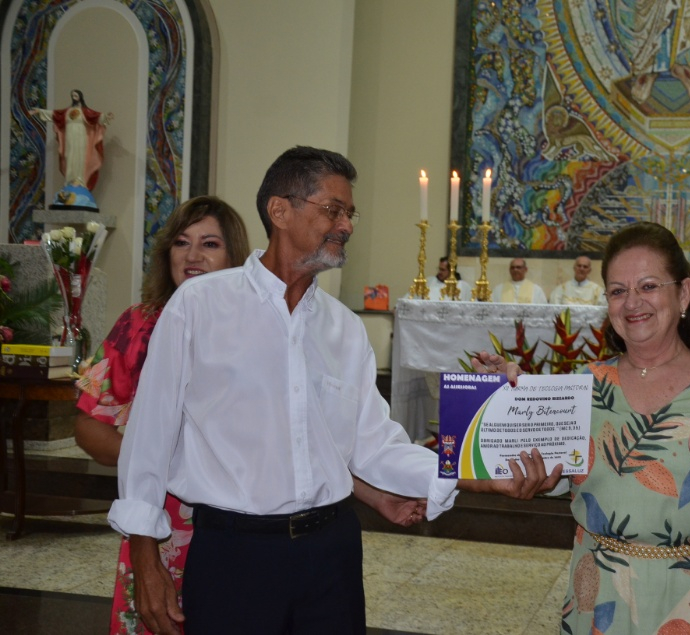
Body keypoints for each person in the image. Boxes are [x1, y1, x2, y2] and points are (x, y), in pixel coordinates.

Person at [109, 146, 561, 635]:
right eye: (333, 209)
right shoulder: (200, 306)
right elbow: (149, 435)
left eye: (350, 213)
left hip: (331, 553)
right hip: (234, 555)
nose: (346, 224)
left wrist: (481, 473)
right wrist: (143, 552)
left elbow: (375, 445)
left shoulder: (344, 329)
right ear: (279, 210)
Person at [474, 222, 690, 634]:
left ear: (683, 293)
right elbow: (537, 467)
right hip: (601, 602)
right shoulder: (583, 387)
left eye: (648, 286)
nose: (632, 302)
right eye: (617, 290)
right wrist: (500, 397)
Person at [74, 196, 250, 634]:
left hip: (242, 529)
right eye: (181, 243)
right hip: (158, 526)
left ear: (235, 257)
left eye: (210, 244)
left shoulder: (257, 330)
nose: (193, 256)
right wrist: (164, 464)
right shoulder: (137, 326)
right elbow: (88, 428)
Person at [29, 89, 113, 191]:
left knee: (80, 157)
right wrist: (39, 111)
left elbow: (97, 117)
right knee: (69, 156)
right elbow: (54, 114)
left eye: (76, 95)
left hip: (81, 137)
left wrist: (106, 117)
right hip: (70, 137)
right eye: (73, 96)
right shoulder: (67, 112)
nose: (74, 97)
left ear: (80, 97)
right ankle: (70, 180)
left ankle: (80, 180)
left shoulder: (85, 112)